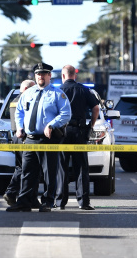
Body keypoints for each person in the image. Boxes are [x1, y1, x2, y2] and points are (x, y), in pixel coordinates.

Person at [7, 62, 71, 212]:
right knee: (27, 171)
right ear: (34, 76)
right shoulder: (28, 93)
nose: (40, 76)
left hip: (48, 139)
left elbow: (66, 114)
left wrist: (52, 125)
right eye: (38, 74)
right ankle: (24, 201)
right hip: (29, 138)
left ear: (49, 75)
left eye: (43, 74)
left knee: (49, 172)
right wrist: (20, 127)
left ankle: (48, 202)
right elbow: (19, 111)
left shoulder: (57, 94)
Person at [55, 65, 99, 210]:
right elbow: (96, 108)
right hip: (79, 131)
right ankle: (84, 202)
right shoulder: (83, 89)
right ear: (75, 75)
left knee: (61, 166)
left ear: (63, 76)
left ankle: (60, 201)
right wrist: (91, 125)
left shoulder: (57, 91)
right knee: (81, 167)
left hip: (62, 132)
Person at [3, 79, 37, 207]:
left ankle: (30, 198)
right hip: (23, 137)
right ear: (28, 89)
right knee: (28, 169)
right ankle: (12, 193)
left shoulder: (15, 100)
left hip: (16, 137)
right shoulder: (24, 100)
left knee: (21, 168)